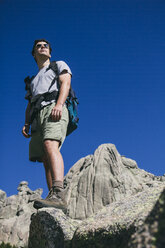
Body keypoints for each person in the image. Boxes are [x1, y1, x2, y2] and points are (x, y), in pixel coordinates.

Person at [22, 39, 72, 211]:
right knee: (44, 158)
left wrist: (59, 104)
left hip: (54, 107)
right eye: (38, 46)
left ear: (49, 52)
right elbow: (30, 103)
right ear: (34, 54)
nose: (42, 47)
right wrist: (27, 122)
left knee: (51, 145)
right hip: (37, 116)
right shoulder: (33, 80)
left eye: (45, 46)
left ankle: (59, 193)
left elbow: (66, 83)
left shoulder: (58, 64)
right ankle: (52, 196)